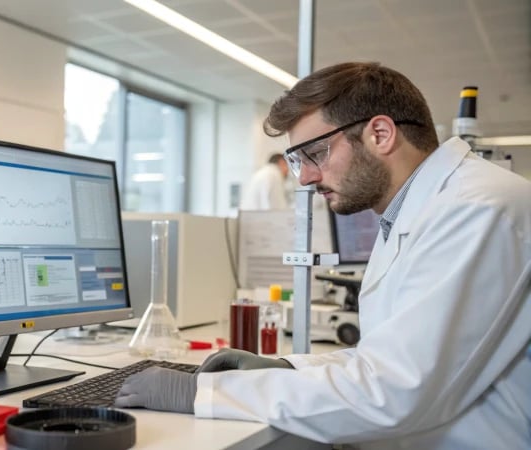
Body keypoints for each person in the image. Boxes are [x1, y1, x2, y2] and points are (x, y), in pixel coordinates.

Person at [115, 62, 531, 449]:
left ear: (380, 134)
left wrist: (201, 392)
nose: (308, 177)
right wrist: (286, 368)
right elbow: (385, 358)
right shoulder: (414, 210)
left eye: (315, 153)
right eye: (297, 162)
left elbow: (396, 390)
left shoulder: (476, 209)